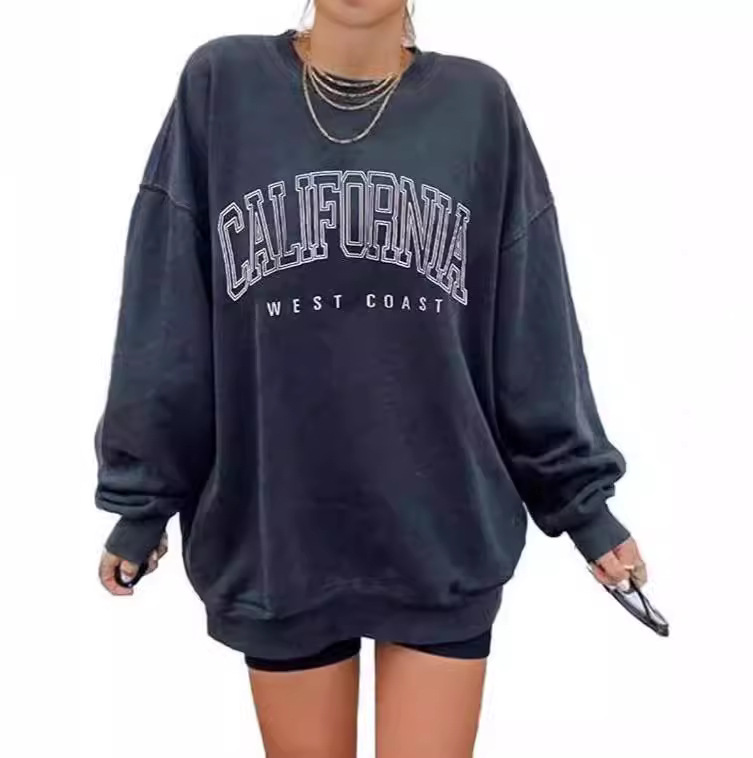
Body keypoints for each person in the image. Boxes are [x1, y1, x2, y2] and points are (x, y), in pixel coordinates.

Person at [94, 1, 647, 755]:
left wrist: (584, 507)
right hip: (277, 532)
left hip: (442, 531)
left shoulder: (478, 105)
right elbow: (167, 313)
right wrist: (144, 500)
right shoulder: (222, 85)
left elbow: (531, 324)